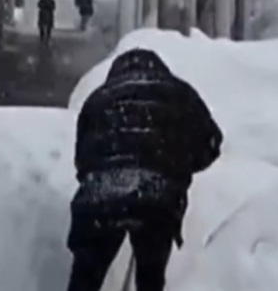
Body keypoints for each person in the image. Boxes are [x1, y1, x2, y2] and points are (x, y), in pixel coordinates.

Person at [66, 48, 223, 291]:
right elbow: (211, 144)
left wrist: (105, 178)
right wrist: (177, 164)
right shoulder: (179, 93)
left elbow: (83, 161)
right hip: (156, 195)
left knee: (85, 279)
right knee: (150, 277)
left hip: (100, 195)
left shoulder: (98, 99)